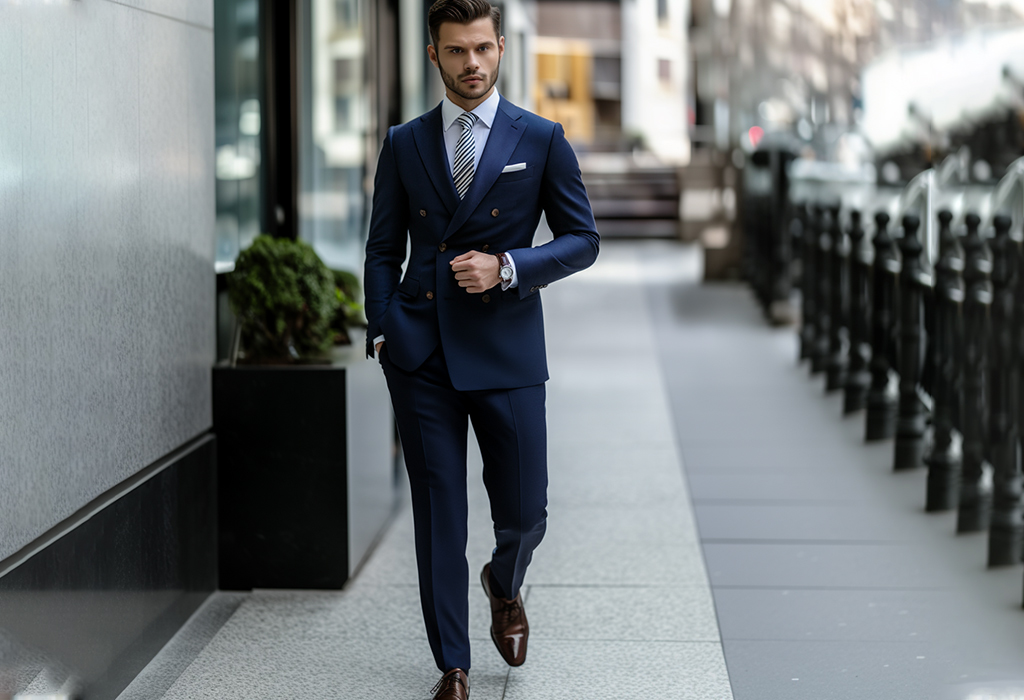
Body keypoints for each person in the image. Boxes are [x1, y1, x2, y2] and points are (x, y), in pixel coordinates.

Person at [363, 0, 599, 696]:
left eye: (483, 50)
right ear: (433, 53)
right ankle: (454, 666)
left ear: (501, 48)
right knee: (440, 510)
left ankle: (504, 580)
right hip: (422, 351)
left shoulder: (542, 137)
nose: (472, 64)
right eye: (457, 51)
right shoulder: (404, 143)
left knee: (526, 510)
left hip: (507, 349)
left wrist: (510, 269)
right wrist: (383, 328)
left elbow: (582, 239)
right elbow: (382, 248)